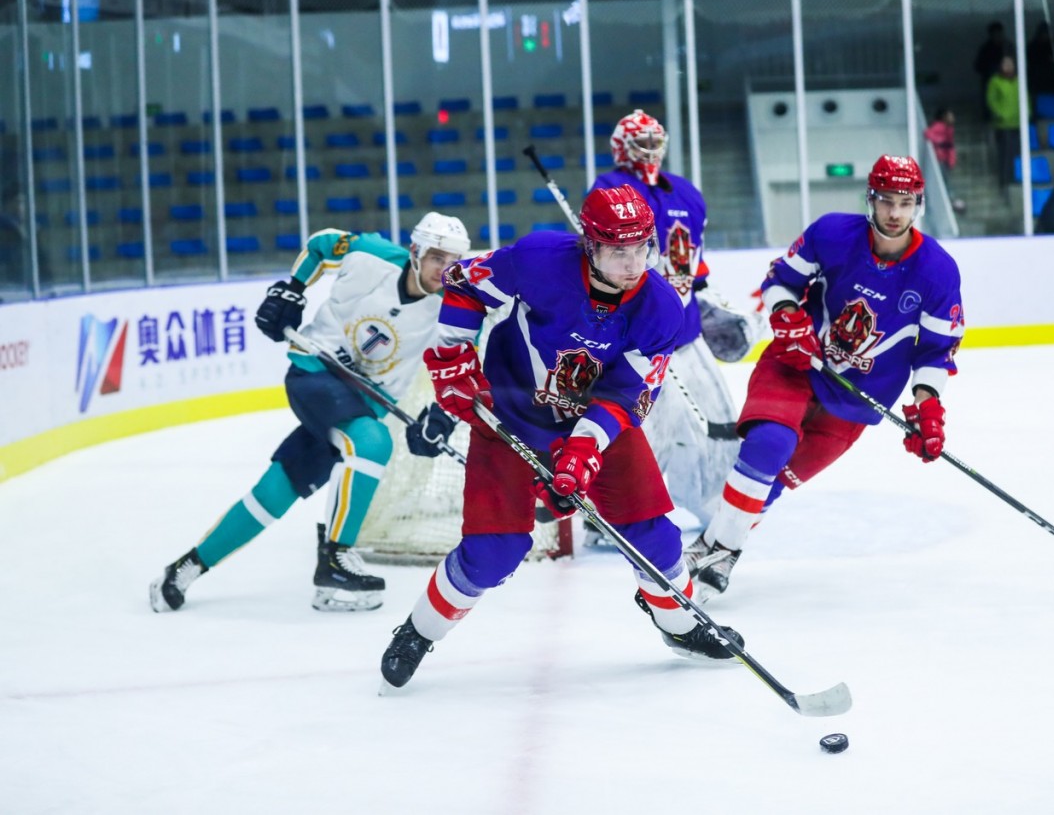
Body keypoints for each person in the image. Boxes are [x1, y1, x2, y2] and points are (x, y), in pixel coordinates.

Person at [379, 184, 745, 690]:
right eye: (617, 251)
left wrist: (583, 450)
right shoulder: (539, 259)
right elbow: (463, 283)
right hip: (508, 411)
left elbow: (626, 396)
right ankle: (418, 632)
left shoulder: (661, 308)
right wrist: (453, 356)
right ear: (590, 244)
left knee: (651, 533)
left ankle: (680, 625)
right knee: (493, 551)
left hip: (596, 423)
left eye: (641, 248)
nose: (633, 264)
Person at [149, 213, 475, 613]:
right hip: (316, 373)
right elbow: (323, 242)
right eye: (437, 258)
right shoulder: (372, 255)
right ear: (415, 252)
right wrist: (292, 288)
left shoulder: (455, 308)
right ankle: (336, 557)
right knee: (373, 443)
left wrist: (442, 415)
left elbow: (460, 366)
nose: (445, 269)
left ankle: (185, 567)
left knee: (277, 489)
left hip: (363, 402)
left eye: (453, 261)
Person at [681, 156, 964, 602]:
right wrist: (785, 313)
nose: (894, 212)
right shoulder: (833, 233)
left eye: (905, 202)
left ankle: (711, 547)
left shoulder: (937, 271)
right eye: (886, 200)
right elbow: (780, 281)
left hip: (857, 400)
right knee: (769, 445)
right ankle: (724, 554)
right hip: (797, 363)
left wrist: (927, 404)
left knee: (772, 483)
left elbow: (935, 350)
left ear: (918, 205)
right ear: (869, 199)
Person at [590, 109, 747, 530]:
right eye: (641, 142)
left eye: (655, 141)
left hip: (687, 332)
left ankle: (716, 500)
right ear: (621, 147)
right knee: (645, 426)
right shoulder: (610, 189)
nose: (650, 150)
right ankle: (615, 514)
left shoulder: (688, 194)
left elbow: (695, 265)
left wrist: (710, 304)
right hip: (638, 335)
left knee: (722, 421)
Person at [986, 56, 1021, 189]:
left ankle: (1016, 178)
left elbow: (1025, 97)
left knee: (1016, 153)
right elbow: (991, 100)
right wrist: (1001, 114)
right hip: (1003, 125)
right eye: (1005, 64)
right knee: (1005, 154)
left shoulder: (1018, 80)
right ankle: (1005, 181)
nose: (1008, 67)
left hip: (1017, 123)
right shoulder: (995, 81)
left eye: (1010, 64)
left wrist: (1027, 112)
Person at [972, 22, 1014, 119]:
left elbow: (1016, 62)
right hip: (991, 82)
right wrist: (992, 71)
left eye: (999, 33)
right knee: (990, 106)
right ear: (991, 35)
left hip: (1009, 82)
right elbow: (978, 66)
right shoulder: (986, 49)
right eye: (995, 34)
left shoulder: (1008, 47)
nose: (998, 36)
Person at [1026, 21, 1054, 98]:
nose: (1046, 35)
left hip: (1051, 75)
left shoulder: (1051, 44)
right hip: (1036, 75)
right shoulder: (1032, 45)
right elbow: (1034, 59)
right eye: (1045, 33)